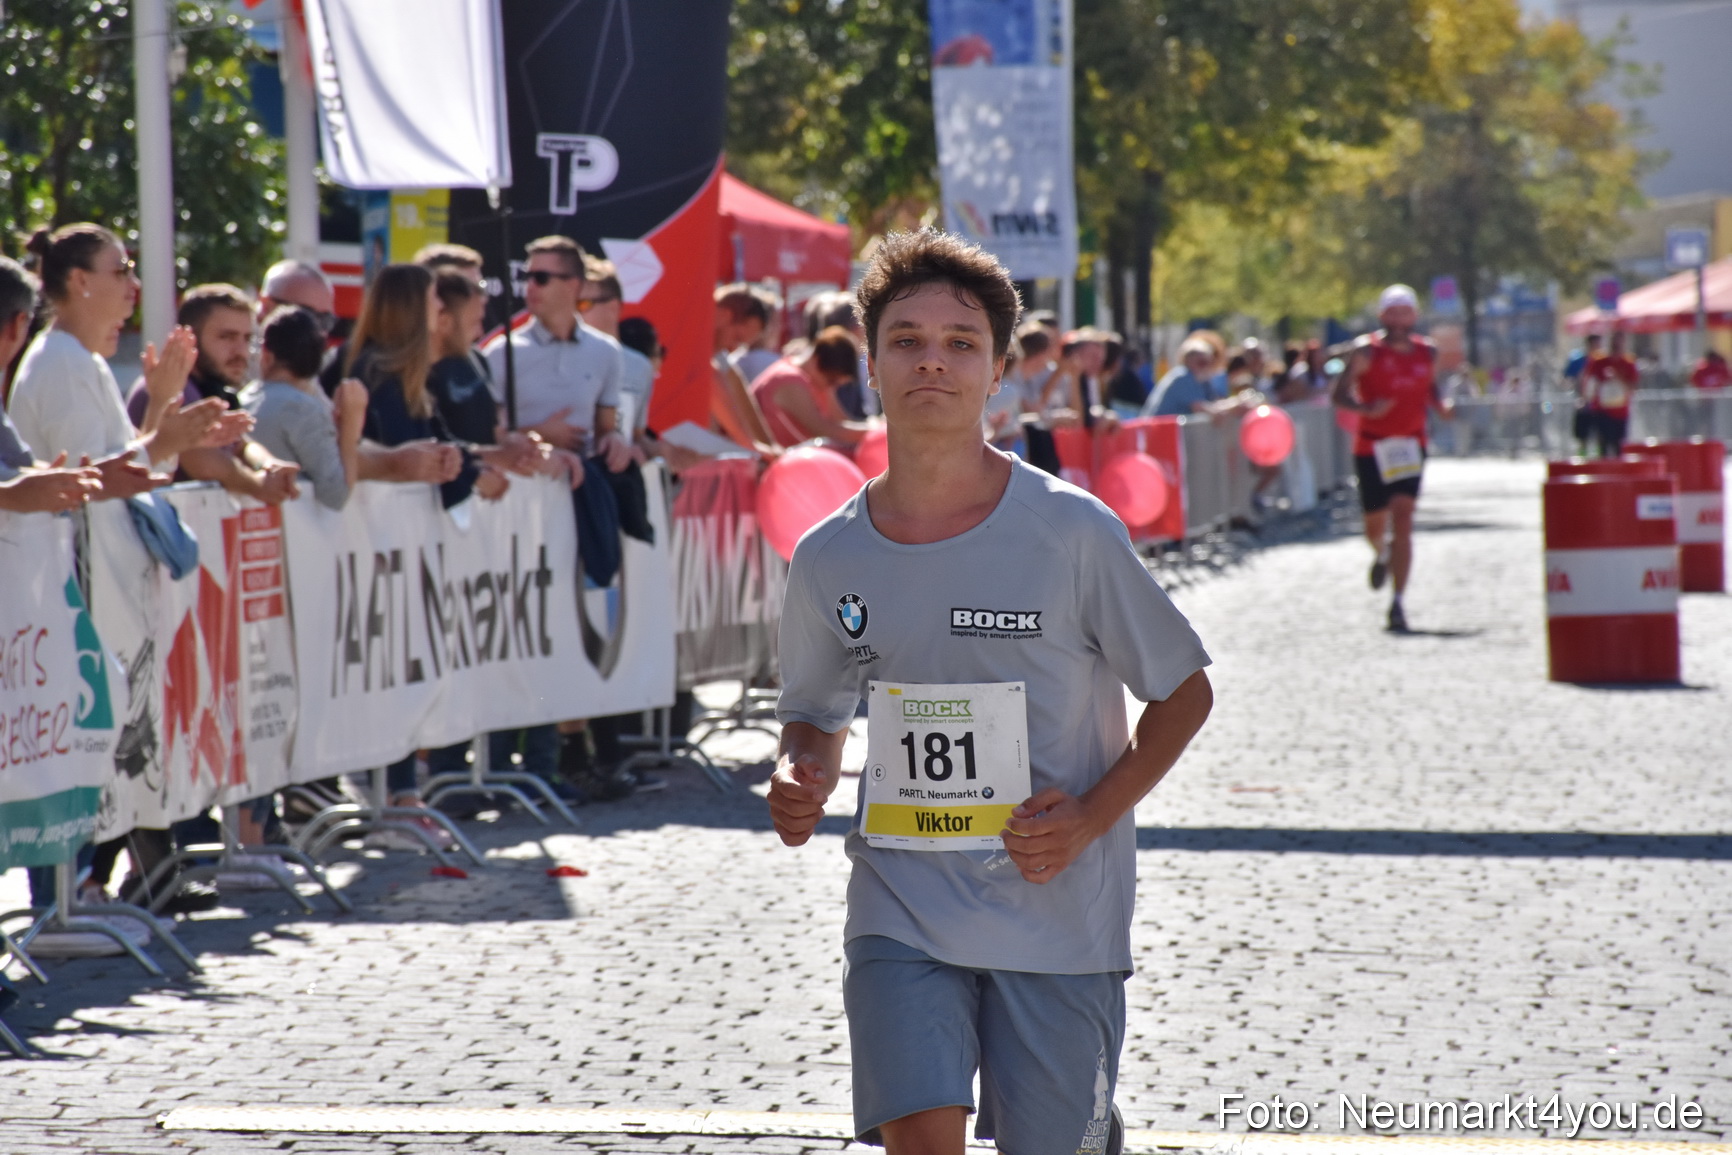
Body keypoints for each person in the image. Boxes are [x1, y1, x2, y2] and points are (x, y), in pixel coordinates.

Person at [767, 229, 1213, 1155]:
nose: (933, 359)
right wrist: (799, 772)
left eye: (961, 342)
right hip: (901, 901)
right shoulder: (829, 557)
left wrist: (1090, 816)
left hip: (1057, 915)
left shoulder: (1070, 531)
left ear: (1001, 370)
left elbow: (1183, 693)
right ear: (871, 365)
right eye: (907, 339)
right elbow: (813, 710)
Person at [1331, 284, 1453, 633]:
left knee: (1403, 516)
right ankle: (1381, 553)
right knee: (1374, 525)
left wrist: (1441, 407)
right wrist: (1366, 408)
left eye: (1406, 312)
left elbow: (1430, 387)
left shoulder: (1427, 353)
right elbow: (1338, 394)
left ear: (1415, 316)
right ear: (1382, 316)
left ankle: (1398, 602)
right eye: (1393, 313)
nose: (1399, 320)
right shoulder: (1366, 351)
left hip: (1410, 445)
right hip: (1371, 445)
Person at [125, 283, 303, 507]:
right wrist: (256, 484)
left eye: (247, 339)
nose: (240, 351)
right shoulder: (172, 386)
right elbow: (203, 461)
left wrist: (268, 466)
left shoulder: (212, 387)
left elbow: (242, 445)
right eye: (227, 337)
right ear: (191, 339)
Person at [241, 306, 366, 510]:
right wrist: (350, 427)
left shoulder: (243, 397)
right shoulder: (302, 409)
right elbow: (336, 494)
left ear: (267, 355)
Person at [750, 326, 873, 448]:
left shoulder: (817, 378)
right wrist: (875, 431)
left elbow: (841, 420)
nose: (832, 387)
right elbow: (822, 429)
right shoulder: (789, 380)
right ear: (816, 360)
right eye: (832, 380)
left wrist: (875, 427)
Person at [710, 283, 778, 451]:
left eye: (742, 346)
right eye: (737, 338)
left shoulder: (722, 360)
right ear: (723, 316)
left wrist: (770, 450)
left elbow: (746, 409)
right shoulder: (693, 347)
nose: (733, 349)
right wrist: (756, 449)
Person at [1582, 331, 1638, 457]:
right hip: (1602, 409)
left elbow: (1633, 387)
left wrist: (1618, 377)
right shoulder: (1598, 361)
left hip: (1621, 411)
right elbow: (1590, 382)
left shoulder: (1628, 363)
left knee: (1619, 445)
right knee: (1603, 444)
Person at [1143, 337, 1227, 417]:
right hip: (1155, 429)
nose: (1206, 367)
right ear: (1187, 361)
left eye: (1210, 362)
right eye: (1202, 363)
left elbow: (1216, 403)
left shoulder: (1204, 381)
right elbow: (1200, 407)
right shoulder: (1182, 376)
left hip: (1171, 429)